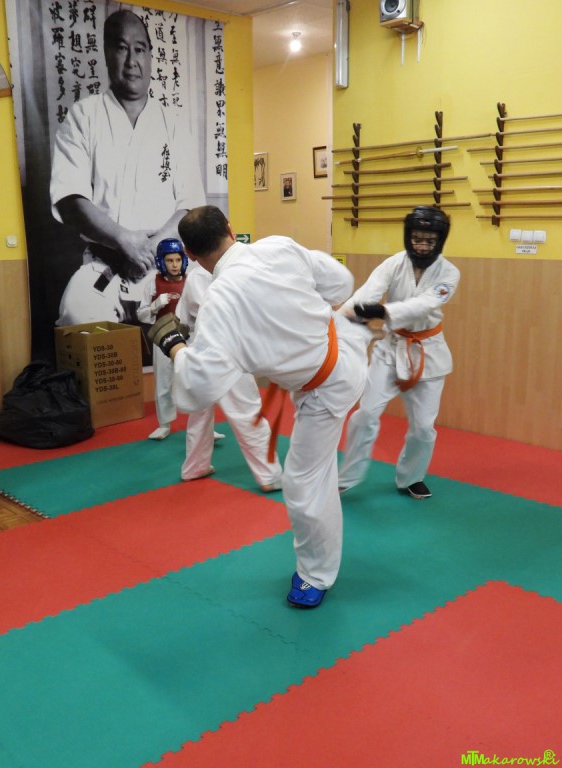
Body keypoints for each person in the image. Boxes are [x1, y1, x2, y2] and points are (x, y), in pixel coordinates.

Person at [149, 205, 370, 609]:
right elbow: (341, 282)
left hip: (328, 386)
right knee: (311, 474)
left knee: (305, 483)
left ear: (191, 255)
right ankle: (317, 564)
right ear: (231, 230)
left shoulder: (220, 302)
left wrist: (175, 346)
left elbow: (197, 389)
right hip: (345, 347)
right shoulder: (278, 247)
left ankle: (315, 575)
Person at [50, 9, 206, 330]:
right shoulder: (83, 116)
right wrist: (123, 239)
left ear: (150, 55)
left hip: (165, 263)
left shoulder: (174, 124)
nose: (132, 60)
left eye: (140, 49)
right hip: (105, 265)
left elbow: (190, 205)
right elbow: (70, 199)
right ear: (107, 53)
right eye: (122, 48)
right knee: (78, 315)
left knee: (208, 311)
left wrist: (150, 248)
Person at [338, 206, 460, 499]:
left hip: (428, 353)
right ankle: (346, 476)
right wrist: (345, 314)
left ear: (439, 241)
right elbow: (369, 291)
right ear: (408, 237)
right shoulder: (394, 263)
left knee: (423, 427)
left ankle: (411, 477)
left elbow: (425, 305)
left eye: (429, 240)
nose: (422, 245)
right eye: (417, 238)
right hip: (390, 349)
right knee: (366, 413)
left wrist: (382, 311)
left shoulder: (449, 273)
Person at [178, 260, 283, 491]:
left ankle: (195, 467)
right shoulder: (237, 271)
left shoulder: (195, 277)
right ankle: (269, 475)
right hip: (228, 351)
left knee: (200, 414)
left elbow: (183, 319)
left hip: (199, 350)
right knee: (246, 412)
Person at [136, 238, 189, 440]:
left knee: (195, 381)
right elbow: (141, 315)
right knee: (163, 383)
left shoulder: (191, 281)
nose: (174, 265)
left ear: (183, 260)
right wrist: (155, 305)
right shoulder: (153, 284)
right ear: (161, 262)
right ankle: (164, 424)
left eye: (177, 260)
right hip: (163, 338)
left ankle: (205, 426)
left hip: (188, 337)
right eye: (169, 260)